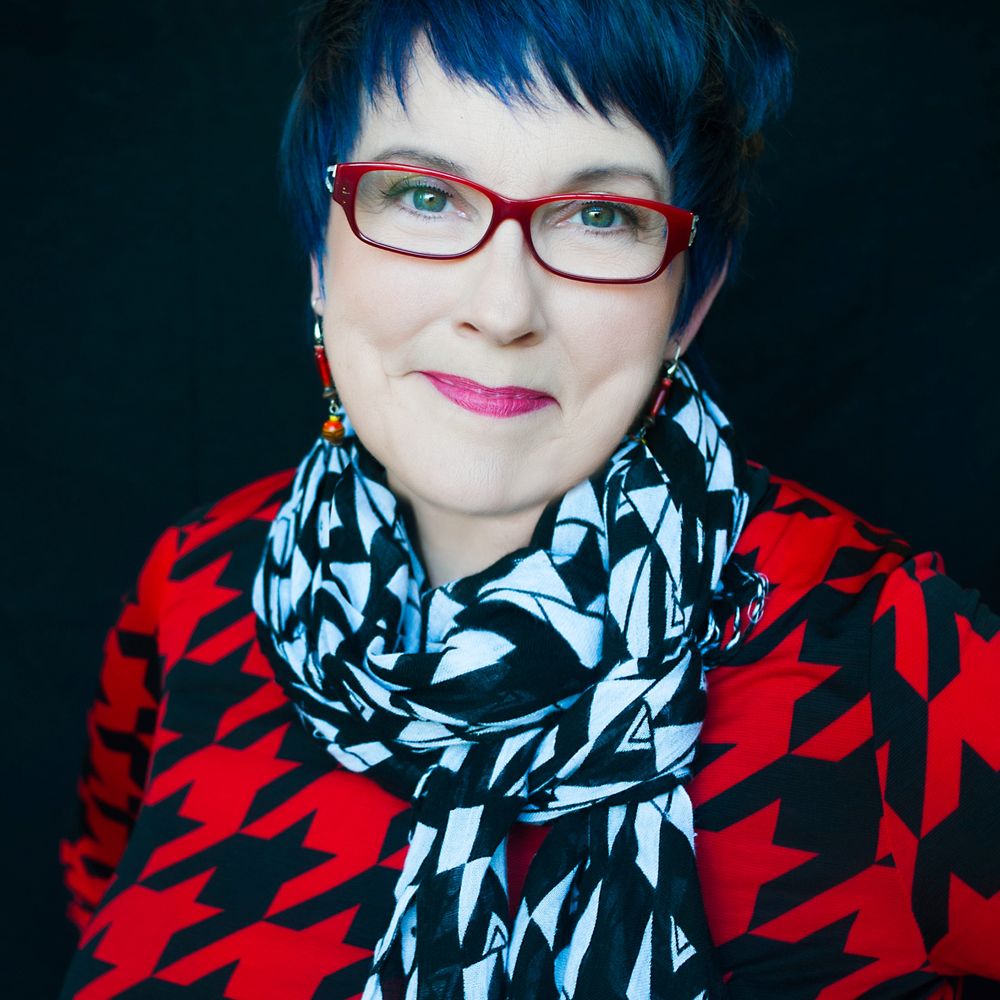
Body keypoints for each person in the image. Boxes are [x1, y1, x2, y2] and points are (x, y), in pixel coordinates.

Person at [58, 0, 999, 997]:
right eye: (425, 196)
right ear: (322, 256)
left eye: (601, 216)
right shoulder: (199, 584)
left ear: (691, 296)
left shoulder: (892, 655)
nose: (502, 308)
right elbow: (94, 890)